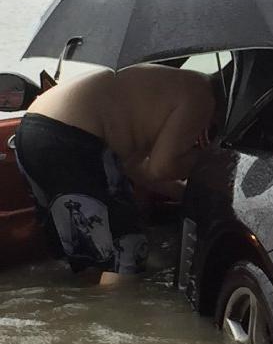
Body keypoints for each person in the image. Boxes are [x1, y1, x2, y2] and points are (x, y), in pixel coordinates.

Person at [14, 64, 221, 283]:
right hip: (72, 138)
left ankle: (85, 307)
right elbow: (162, 167)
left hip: (31, 131)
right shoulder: (202, 96)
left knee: (92, 250)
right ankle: (115, 312)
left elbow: (136, 168)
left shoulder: (165, 87)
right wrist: (210, 160)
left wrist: (184, 193)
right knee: (128, 253)